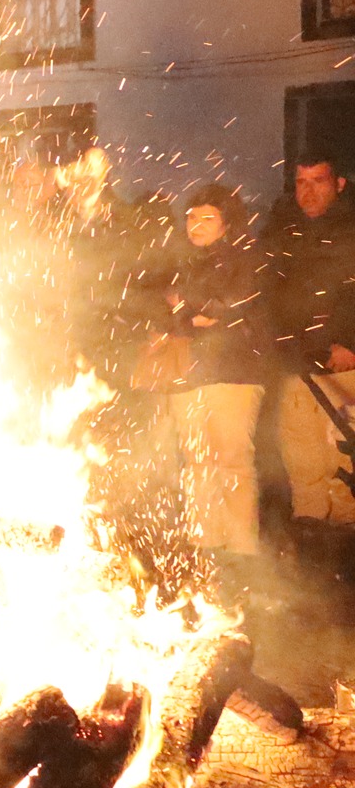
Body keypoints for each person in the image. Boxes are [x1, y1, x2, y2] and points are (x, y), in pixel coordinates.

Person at [141, 185, 269, 564]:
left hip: (233, 373)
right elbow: (175, 312)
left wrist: (185, 310)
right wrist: (187, 313)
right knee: (196, 461)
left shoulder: (245, 260)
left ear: (227, 223)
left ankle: (242, 549)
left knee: (231, 459)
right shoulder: (180, 262)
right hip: (188, 373)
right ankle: (205, 546)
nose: (196, 224)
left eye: (207, 217)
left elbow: (221, 310)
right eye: (192, 216)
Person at [263, 150, 355, 524]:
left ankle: (346, 560)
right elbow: (268, 291)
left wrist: (350, 342)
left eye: (318, 181)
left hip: (344, 370)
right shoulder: (283, 230)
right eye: (302, 182)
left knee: (342, 466)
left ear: (339, 184)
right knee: (303, 465)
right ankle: (311, 560)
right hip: (296, 366)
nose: (309, 191)